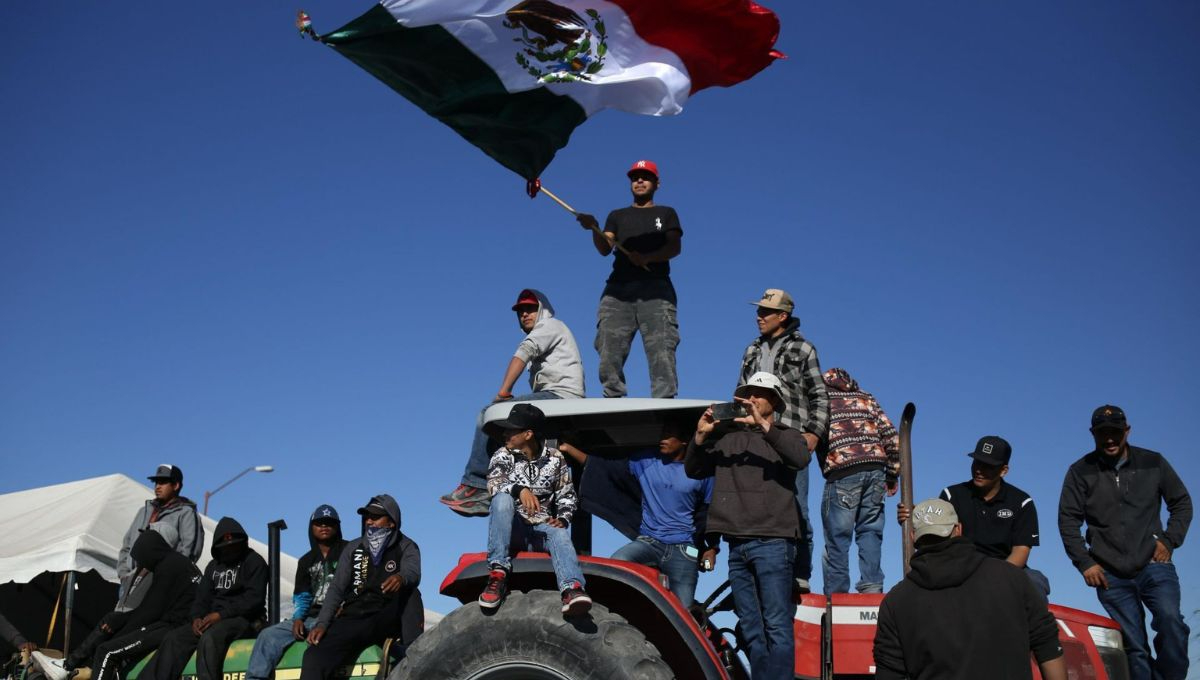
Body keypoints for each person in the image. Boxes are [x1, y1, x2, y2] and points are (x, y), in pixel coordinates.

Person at [684, 372, 809, 680]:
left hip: (774, 542)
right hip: (737, 545)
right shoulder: (728, 438)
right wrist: (700, 436)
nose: (752, 398)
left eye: (760, 393)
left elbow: (800, 457)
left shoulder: (786, 434)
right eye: (747, 393)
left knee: (777, 624)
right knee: (751, 627)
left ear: (775, 401)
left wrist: (763, 426)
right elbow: (694, 469)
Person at [1058, 405, 1192, 680]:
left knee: (1171, 623)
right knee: (1133, 646)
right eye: (1102, 433)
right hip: (1109, 574)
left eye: (1115, 432)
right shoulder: (1079, 471)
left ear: (1127, 431)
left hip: (1154, 564)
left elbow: (1181, 503)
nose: (1109, 439)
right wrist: (1085, 562)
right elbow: (1068, 520)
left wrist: (1169, 540)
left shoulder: (1153, 462)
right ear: (1093, 434)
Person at [873, 498, 1066, 680]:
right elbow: (1048, 646)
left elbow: (889, 673)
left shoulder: (896, 602)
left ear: (913, 536)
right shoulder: (1011, 578)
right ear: (958, 529)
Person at [441, 289, 585, 516]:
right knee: (512, 434)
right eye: (520, 311)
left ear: (542, 310)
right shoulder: (549, 331)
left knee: (489, 414)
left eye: (530, 309)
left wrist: (504, 392)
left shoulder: (549, 326)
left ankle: (476, 485)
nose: (525, 314)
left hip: (560, 396)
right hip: (555, 397)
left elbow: (523, 353)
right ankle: (502, 485)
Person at [559, 422, 717, 608]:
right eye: (662, 434)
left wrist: (712, 547)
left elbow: (709, 514)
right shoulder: (646, 461)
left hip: (684, 549)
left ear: (684, 442)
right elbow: (602, 467)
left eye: (668, 435)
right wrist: (569, 448)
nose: (662, 439)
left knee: (684, 610)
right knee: (617, 564)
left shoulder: (703, 473)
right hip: (650, 541)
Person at [738, 288, 827, 593]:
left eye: (766, 311)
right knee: (754, 502)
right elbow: (739, 393)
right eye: (759, 310)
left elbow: (819, 393)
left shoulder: (804, 348)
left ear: (783, 316)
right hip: (755, 436)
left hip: (790, 437)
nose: (759, 316)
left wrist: (813, 433)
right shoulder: (751, 349)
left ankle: (799, 573)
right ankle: (761, 572)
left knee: (797, 507)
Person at [31, 524, 200, 680]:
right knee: (111, 630)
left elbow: (150, 611)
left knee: (106, 651)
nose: (141, 563)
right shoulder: (176, 563)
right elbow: (150, 609)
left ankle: (67, 666)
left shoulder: (167, 568)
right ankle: (67, 665)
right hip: (172, 623)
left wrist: (119, 633)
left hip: (174, 626)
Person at [576, 160, 682, 399]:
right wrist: (594, 228)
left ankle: (664, 401)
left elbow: (674, 247)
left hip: (656, 288)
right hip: (618, 290)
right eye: (635, 177)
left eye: (645, 177)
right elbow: (605, 247)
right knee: (608, 347)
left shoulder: (666, 213)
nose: (640, 181)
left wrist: (648, 257)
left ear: (657, 183)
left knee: (661, 349)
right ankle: (613, 397)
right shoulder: (617, 215)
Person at [897, 435, 1050, 596]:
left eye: (988, 466)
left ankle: (1033, 621)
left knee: (1036, 581)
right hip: (959, 567)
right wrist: (915, 518)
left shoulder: (1022, 501)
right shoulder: (952, 495)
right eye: (977, 462)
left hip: (1003, 569)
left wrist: (993, 578)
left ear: (1003, 470)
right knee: (913, 584)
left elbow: (1021, 551)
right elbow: (937, 536)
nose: (979, 470)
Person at [477, 403, 591, 615]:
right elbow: (493, 484)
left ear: (528, 434)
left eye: (512, 430)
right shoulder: (503, 455)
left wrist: (564, 519)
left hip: (540, 528)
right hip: (513, 528)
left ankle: (571, 589)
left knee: (559, 533)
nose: (505, 434)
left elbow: (567, 494)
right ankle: (498, 572)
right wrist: (519, 489)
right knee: (502, 499)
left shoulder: (555, 458)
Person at [302, 495, 423, 680]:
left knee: (411, 592)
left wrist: (401, 577)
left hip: (387, 616)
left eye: (375, 517)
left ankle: (413, 652)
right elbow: (336, 589)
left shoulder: (406, 546)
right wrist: (322, 623)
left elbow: (413, 572)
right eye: (366, 517)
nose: (369, 521)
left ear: (391, 522)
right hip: (355, 616)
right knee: (313, 656)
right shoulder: (354, 548)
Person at [139, 517, 267, 680]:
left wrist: (221, 615)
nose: (230, 550)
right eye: (225, 547)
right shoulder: (213, 566)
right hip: (211, 620)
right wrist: (196, 618)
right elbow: (201, 599)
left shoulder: (254, 561)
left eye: (234, 546)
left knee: (210, 639)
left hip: (244, 619)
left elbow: (254, 600)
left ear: (243, 543)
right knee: (174, 638)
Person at [818, 367, 900, 595]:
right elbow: (892, 435)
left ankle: (837, 595)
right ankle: (872, 588)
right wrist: (892, 474)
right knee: (870, 531)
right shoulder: (865, 396)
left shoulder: (820, 397)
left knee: (837, 538)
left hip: (842, 470)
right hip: (876, 469)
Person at [245, 504, 347, 680]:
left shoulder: (350, 551)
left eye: (329, 523)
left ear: (337, 526)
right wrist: (298, 618)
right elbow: (302, 595)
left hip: (336, 617)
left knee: (316, 646)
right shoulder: (306, 560)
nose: (324, 526)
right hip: (310, 617)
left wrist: (345, 607)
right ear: (311, 527)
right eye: (319, 523)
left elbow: (357, 587)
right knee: (267, 635)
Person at [117, 464, 203, 599]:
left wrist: (166, 578)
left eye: (163, 482)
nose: (157, 486)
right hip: (130, 580)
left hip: (160, 583)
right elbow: (127, 544)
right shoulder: (144, 511)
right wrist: (123, 574)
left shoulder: (186, 513)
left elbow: (189, 552)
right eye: (156, 482)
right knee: (121, 616)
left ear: (176, 486)